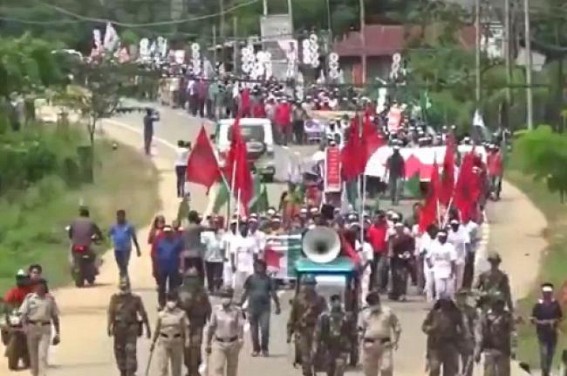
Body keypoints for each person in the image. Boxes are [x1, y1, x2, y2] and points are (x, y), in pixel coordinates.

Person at [107, 279, 151, 376]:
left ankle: (130, 372)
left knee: (130, 351)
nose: (124, 289)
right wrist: (109, 327)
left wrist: (148, 328)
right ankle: (123, 371)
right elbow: (111, 313)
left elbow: (143, 314)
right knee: (119, 352)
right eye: (122, 287)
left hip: (131, 328)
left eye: (125, 287)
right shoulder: (115, 299)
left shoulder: (135, 299)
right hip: (118, 329)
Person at [287, 275, 327, 376]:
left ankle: (315, 370)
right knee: (305, 356)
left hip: (316, 330)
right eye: (306, 284)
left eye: (311, 284)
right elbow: (293, 317)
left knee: (316, 354)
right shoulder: (298, 300)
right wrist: (289, 332)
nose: (308, 287)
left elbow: (326, 316)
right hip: (302, 331)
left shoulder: (320, 300)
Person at [19, 278, 60, 376]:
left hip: (45, 328)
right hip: (32, 327)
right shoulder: (30, 299)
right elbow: (23, 314)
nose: (39, 288)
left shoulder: (49, 299)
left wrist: (58, 333)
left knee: (42, 355)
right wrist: (25, 327)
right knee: (33, 357)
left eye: (41, 286)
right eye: (37, 286)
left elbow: (55, 317)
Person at [239, 260, 281, 357]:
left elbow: (273, 293)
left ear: (265, 268)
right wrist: (240, 304)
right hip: (252, 308)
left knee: (265, 329)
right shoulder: (250, 279)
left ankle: (265, 349)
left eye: (261, 267)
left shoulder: (268, 280)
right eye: (257, 266)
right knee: (254, 331)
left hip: (264, 308)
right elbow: (245, 292)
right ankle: (256, 349)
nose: (259, 268)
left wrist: (278, 305)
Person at [178, 268, 212, 376]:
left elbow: (207, 307)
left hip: (198, 324)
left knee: (195, 348)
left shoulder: (202, 292)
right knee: (187, 348)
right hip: (185, 325)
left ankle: (195, 370)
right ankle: (190, 369)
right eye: (190, 278)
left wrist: (210, 320)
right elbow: (176, 306)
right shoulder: (181, 291)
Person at [359, 291, 401, 376]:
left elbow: (397, 327)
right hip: (369, 345)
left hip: (385, 344)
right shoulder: (364, 314)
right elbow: (360, 330)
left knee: (386, 368)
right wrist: (360, 343)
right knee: (369, 371)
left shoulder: (388, 312)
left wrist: (396, 340)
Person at [205, 286, 245, 376]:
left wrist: (241, 338)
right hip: (218, 343)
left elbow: (240, 326)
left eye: (227, 296)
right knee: (218, 368)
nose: (225, 299)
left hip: (233, 343)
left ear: (231, 298)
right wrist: (208, 343)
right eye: (223, 296)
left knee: (232, 369)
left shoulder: (237, 311)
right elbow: (211, 327)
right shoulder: (216, 310)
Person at [474, 292, 516, 376]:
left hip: (503, 350)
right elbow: (479, 334)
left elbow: (512, 332)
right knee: (489, 373)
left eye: (501, 303)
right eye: (497, 303)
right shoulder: (485, 317)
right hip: (489, 350)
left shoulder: (507, 317)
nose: (499, 306)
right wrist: (478, 350)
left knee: (503, 373)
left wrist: (513, 347)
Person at [422, 294, 463, 376]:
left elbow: (463, 328)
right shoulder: (434, 313)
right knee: (434, 368)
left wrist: (460, 336)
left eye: (447, 303)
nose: (445, 305)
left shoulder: (455, 313)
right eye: (443, 302)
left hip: (450, 344)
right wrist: (431, 329)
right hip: (435, 345)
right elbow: (424, 327)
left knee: (450, 371)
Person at [312, 294, 353, 376]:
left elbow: (350, 332)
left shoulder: (346, 317)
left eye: (338, 301)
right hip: (328, 345)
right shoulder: (324, 317)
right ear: (330, 303)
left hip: (341, 345)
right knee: (329, 367)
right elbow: (318, 332)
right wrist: (315, 346)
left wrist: (350, 345)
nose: (336, 303)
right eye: (334, 301)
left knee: (339, 368)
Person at [151, 291, 190, 376]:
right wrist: (153, 342)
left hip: (177, 341)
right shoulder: (161, 314)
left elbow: (186, 328)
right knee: (163, 367)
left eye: (173, 300)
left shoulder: (181, 314)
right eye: (169, 300)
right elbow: (157, 329)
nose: (171, 303)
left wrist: (187, 340)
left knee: (176, 368)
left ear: (176, 301)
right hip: (164, 341)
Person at [530, 283, 563, 376]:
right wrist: (540, 322)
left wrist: (554, 321)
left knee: (550, 353)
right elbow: (533, 318)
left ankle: (547, 371)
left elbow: (560, 317)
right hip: (542, 333)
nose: (547, 294)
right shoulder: (538, 304)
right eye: (545, 293)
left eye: (549, 293)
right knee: (543, 353)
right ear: (543, 293)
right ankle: (544, 371)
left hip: (552, 333)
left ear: (551, 293)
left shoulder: (555, 304)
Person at [155, 225, 184, 309]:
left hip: (174, 267)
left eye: (168, 232)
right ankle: (162, 303)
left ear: (172, 232)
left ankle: (173, 303)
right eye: (165, 232)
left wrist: (181, 267)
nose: (167, 234)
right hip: (162, 267)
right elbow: (157, 255)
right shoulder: (161, 242)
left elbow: (181, 254)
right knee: (161, 287)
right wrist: (156, 267)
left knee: (173, 287)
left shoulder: (177, 242)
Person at [68, 206, 103, 273]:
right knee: (95, 255)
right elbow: (98, 232)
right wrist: (101, 238)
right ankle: (95, 268)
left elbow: (70, 232)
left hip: (76, 245)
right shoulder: (91, 222)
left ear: (80, 214)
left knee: (71, 256)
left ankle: (74, 266)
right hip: (87, 245)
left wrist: (72, 238)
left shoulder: (74, 221)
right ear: (88, 215)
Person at [425, 230, 457, 300]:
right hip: (438, 270)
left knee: (449, 290)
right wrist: (430, 265)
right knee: (439, 289)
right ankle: (439, 302)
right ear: (438, 237)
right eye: (440, 237)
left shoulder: (450, 246)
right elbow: (427, 257)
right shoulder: (434, 246)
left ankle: (450, 305)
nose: (442, 238)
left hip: (448, 270)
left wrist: (452, 271)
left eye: (444, 237)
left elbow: (453, 260)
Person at [109, 209, 141, 279]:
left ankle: (124, 278)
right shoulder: (113, 226)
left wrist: (137, 248)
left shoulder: (129, 226)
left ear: (124, 216)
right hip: (117, 249)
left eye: (121, 216)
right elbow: (109, 234)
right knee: (120, 265)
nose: (120, 218)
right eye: (118, 216)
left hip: (126, 249)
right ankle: (123, 276)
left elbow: (134, 237)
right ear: (116, 217)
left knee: (124, 264)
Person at [230, 220, 259, 296]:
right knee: (238, 283)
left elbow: (255, 252)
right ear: (239, 228)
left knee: (250, 281)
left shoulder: (252, 239)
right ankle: (238, 298)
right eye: (242, 227)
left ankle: (248, 298)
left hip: (249, 264)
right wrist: (233, 264)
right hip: (239, 264)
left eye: (245, 226)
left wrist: (255, 263)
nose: (244, 228)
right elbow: (232, 252)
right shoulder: (236, 240)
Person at [455, 289, 477, 376]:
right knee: (454, 362)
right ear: (456, 297)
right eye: (460, 296)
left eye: (464, 296)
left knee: (468, 361)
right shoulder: (452, 310)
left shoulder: (471, 310)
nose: (462, 298)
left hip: (467, 338)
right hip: (454, 339)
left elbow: (476, 323)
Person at [181, 211, 206, 283]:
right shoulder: (197, 227)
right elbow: (210, 228)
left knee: (186, 273)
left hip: (186, 254)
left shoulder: (185, 228)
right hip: (195, 254)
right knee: (200, 273)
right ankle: (200, 288)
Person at [446, 219, 471, 290]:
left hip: (461, 258)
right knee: (452, 276)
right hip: (451, 258)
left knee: (460, 276)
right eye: (452, 226)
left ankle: (458, 290)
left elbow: (467, 244)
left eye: (455, 226)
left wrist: (467, 255)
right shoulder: (449, 233)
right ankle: (452, 291)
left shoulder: (463, 232)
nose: (454, 227)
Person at [202, 216, 225, 293]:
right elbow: (203, 245)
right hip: (209, 258)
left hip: (219, 258)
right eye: (214, 223)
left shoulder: (223, 233)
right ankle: (211, 289)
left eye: (217, 223)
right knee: (210, 275)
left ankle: (217, 287)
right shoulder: (206, 234)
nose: (215, 225)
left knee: (218, 276)